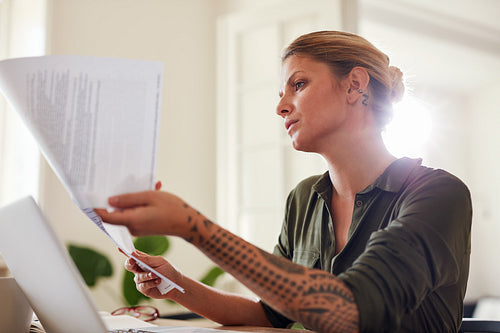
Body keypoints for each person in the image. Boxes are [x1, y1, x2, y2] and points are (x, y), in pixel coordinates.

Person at [95, 31, 472, 332]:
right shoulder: (305, 198)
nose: (280, 106)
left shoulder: (438, 194)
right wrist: (176, 283)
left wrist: (196, 228)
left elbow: (350, 310)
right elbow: (270, 316)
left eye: (299, 84)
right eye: (282, 93)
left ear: (355, 84)